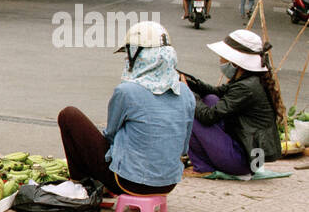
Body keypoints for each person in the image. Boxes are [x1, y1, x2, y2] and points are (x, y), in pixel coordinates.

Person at [57, 22, 194, 198]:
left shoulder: (127, 91)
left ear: (139, 56)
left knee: (69, 115)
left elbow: (111, 135)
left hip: (127, 182)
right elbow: (184, 147)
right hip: (168, 183)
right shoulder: (185, 92)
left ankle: (81, 184)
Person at [179, 30, 283, 176]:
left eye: (222, 59)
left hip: (242, 162)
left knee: (190, 112)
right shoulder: (250, 80)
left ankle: (203, 167)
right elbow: (216, 92)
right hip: (249, 158)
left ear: (234, 63)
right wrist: (191, 83)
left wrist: (189, 94)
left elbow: (208, 116)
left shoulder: (246, 87)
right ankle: (206, 163)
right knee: (210, 99)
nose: (221, 62)